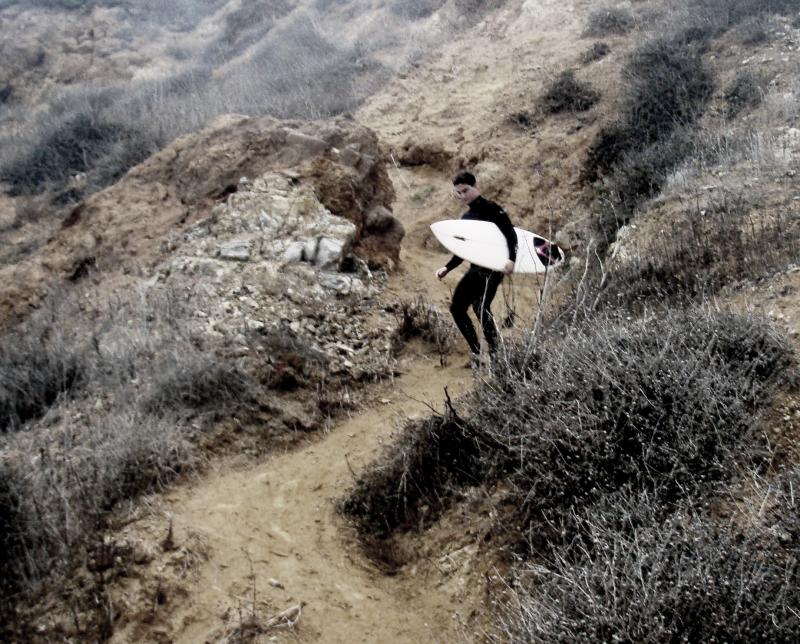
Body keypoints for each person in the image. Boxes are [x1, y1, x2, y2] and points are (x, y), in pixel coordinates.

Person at [436, 171, 516, 363]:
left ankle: (482, 353)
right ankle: (493, 353)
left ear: (475, 186)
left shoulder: (492, 209)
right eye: (459, 193)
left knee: (460, 308)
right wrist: (448, 268)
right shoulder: (467, 217)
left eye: (465, 191)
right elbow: (464, 250)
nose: (462, 196)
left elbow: (511, 235)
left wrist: (511, 259)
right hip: (478, 268)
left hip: (492, 268)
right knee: (480, 307)